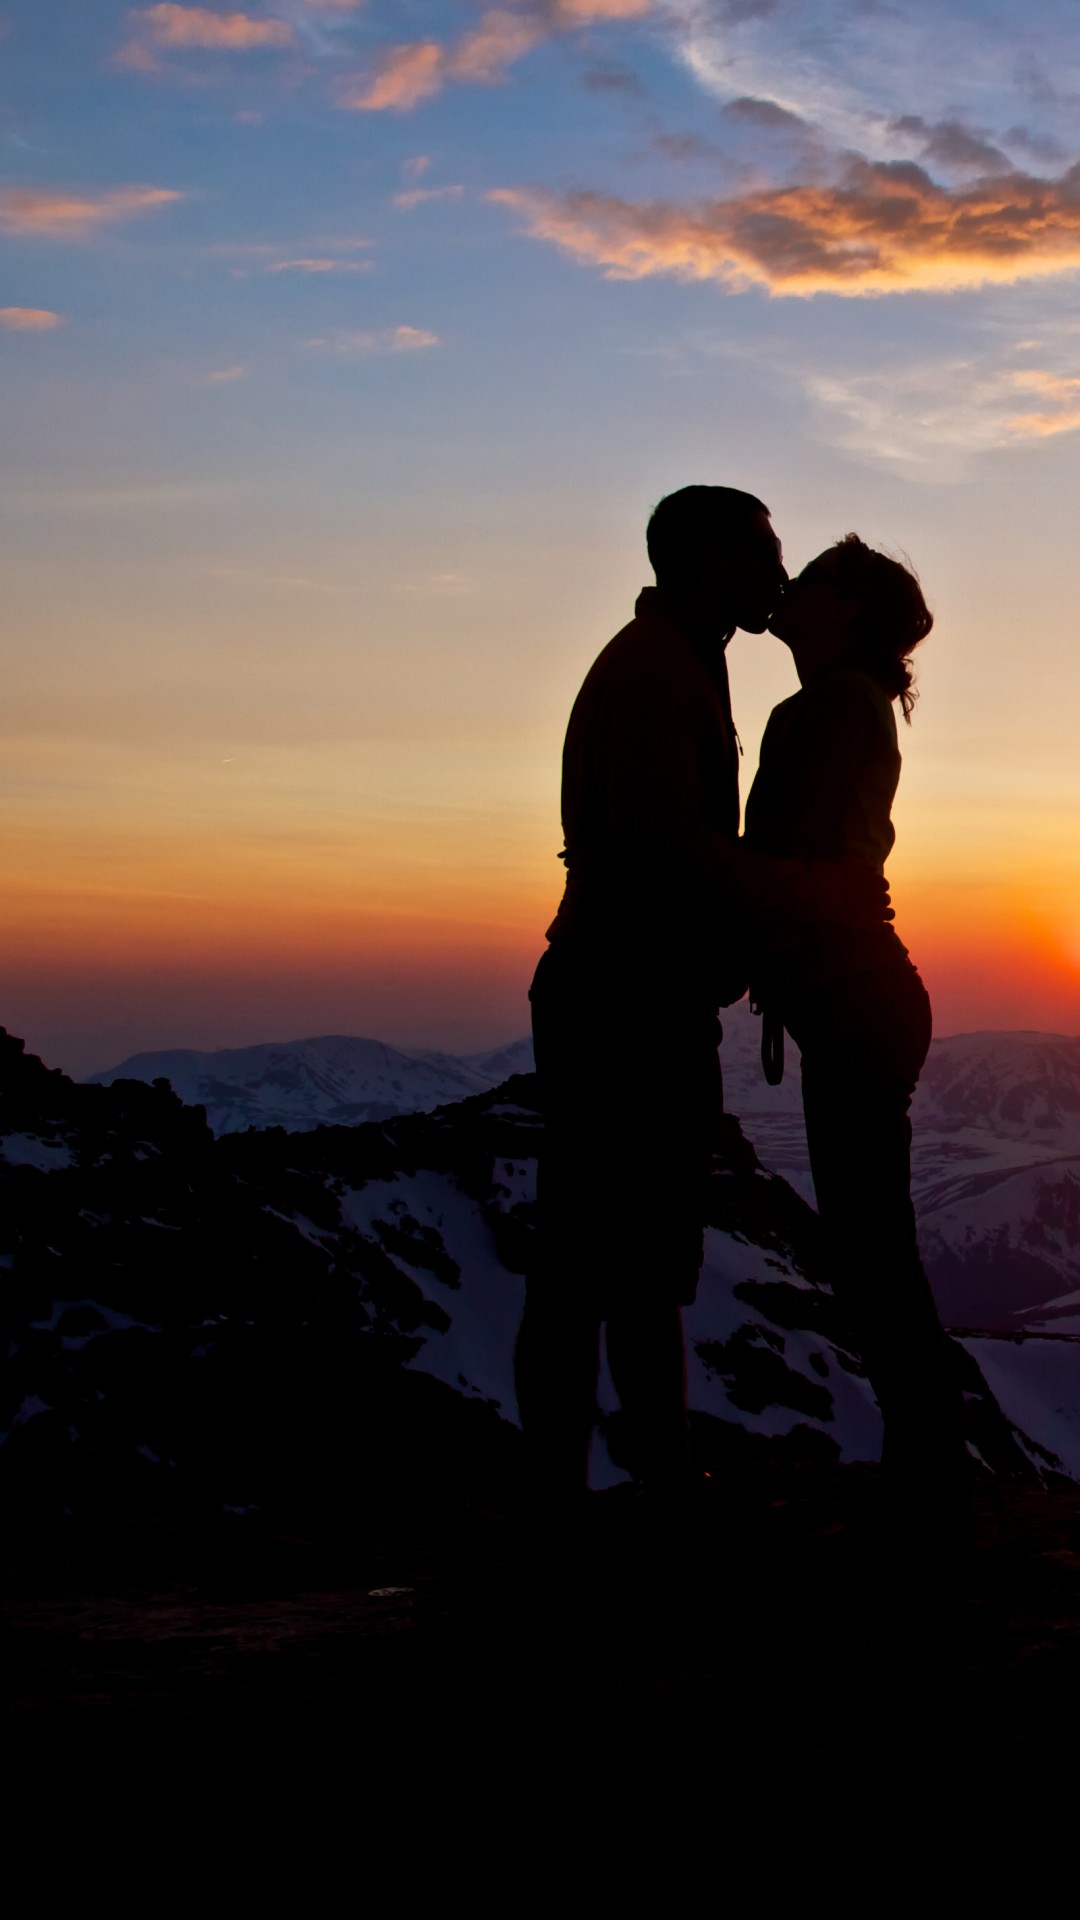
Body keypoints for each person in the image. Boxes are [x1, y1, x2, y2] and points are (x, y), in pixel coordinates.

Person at [516, 488, 888, 1509]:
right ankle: (595, 1495)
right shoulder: (652, 675)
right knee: (598, 1260)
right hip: (621, 999)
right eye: (765, 552)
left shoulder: (686, 659)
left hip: (637, 994)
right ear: (714, 558)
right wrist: (814, 893)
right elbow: (664, 856)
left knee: (626, 1258)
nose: (780, 571)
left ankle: (647, 1487)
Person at [743, 534, 969, 1543]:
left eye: (817, 579)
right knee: (873, 1246)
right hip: (860, 997)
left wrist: (701, 873)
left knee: (871, 1251)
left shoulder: (828, 707)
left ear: (844, 613)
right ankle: (926, 1466)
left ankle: (929, 1472)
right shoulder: (849, 705)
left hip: (851, 995)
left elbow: (804, 864)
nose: (794, 587)